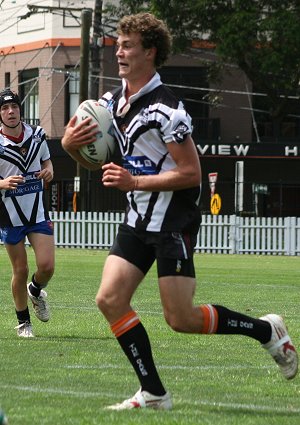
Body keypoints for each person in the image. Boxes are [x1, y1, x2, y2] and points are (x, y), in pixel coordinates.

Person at [61, 12, 298, 410]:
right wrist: (70, 146)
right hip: (138, 219)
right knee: (109, 299)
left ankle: (266, 330)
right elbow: (98, 163)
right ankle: (154, 393)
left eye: (127, 45)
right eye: (118, 43)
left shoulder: (168, 111)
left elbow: (191, 174)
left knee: (181, 318)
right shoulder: (108, 105)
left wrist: (133, 182)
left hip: (174, 222)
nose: (118, 51)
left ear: (149, 52)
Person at [0, 89, 54, 338]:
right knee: (19, 270)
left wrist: (49, 171)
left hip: (36, 211)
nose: (10, 112)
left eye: (14, 107)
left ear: (20, 109)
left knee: (47, 266)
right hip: (9, 215)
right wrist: (2, 184)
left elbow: (47, 162)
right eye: (4, 108)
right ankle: (24, 323)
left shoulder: (38, 135)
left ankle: (35, 290)